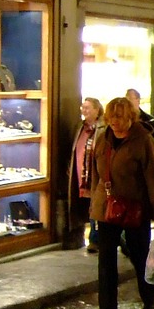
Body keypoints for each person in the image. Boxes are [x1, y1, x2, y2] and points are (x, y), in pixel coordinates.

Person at [89, 97, 154, 309]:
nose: (115, 122)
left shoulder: (143, 140)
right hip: (107, 208)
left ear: (130, 118)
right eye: (112, 117)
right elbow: (97, 173)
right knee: (106, 264)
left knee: (140, 257)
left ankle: (150, 300)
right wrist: (94, 206)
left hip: (135, 208)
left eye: (120, 118)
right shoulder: (104, 139)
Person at [67, 97, 105, 252]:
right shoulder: (79, 127)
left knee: (95, 206)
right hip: (79, 174)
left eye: (88, 107)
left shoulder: (102, 129)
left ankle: (95, 239)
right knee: (83, 206)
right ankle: (83, 236)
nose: (84, 110)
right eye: (83, 107)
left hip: (95, 175)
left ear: (97, 110)